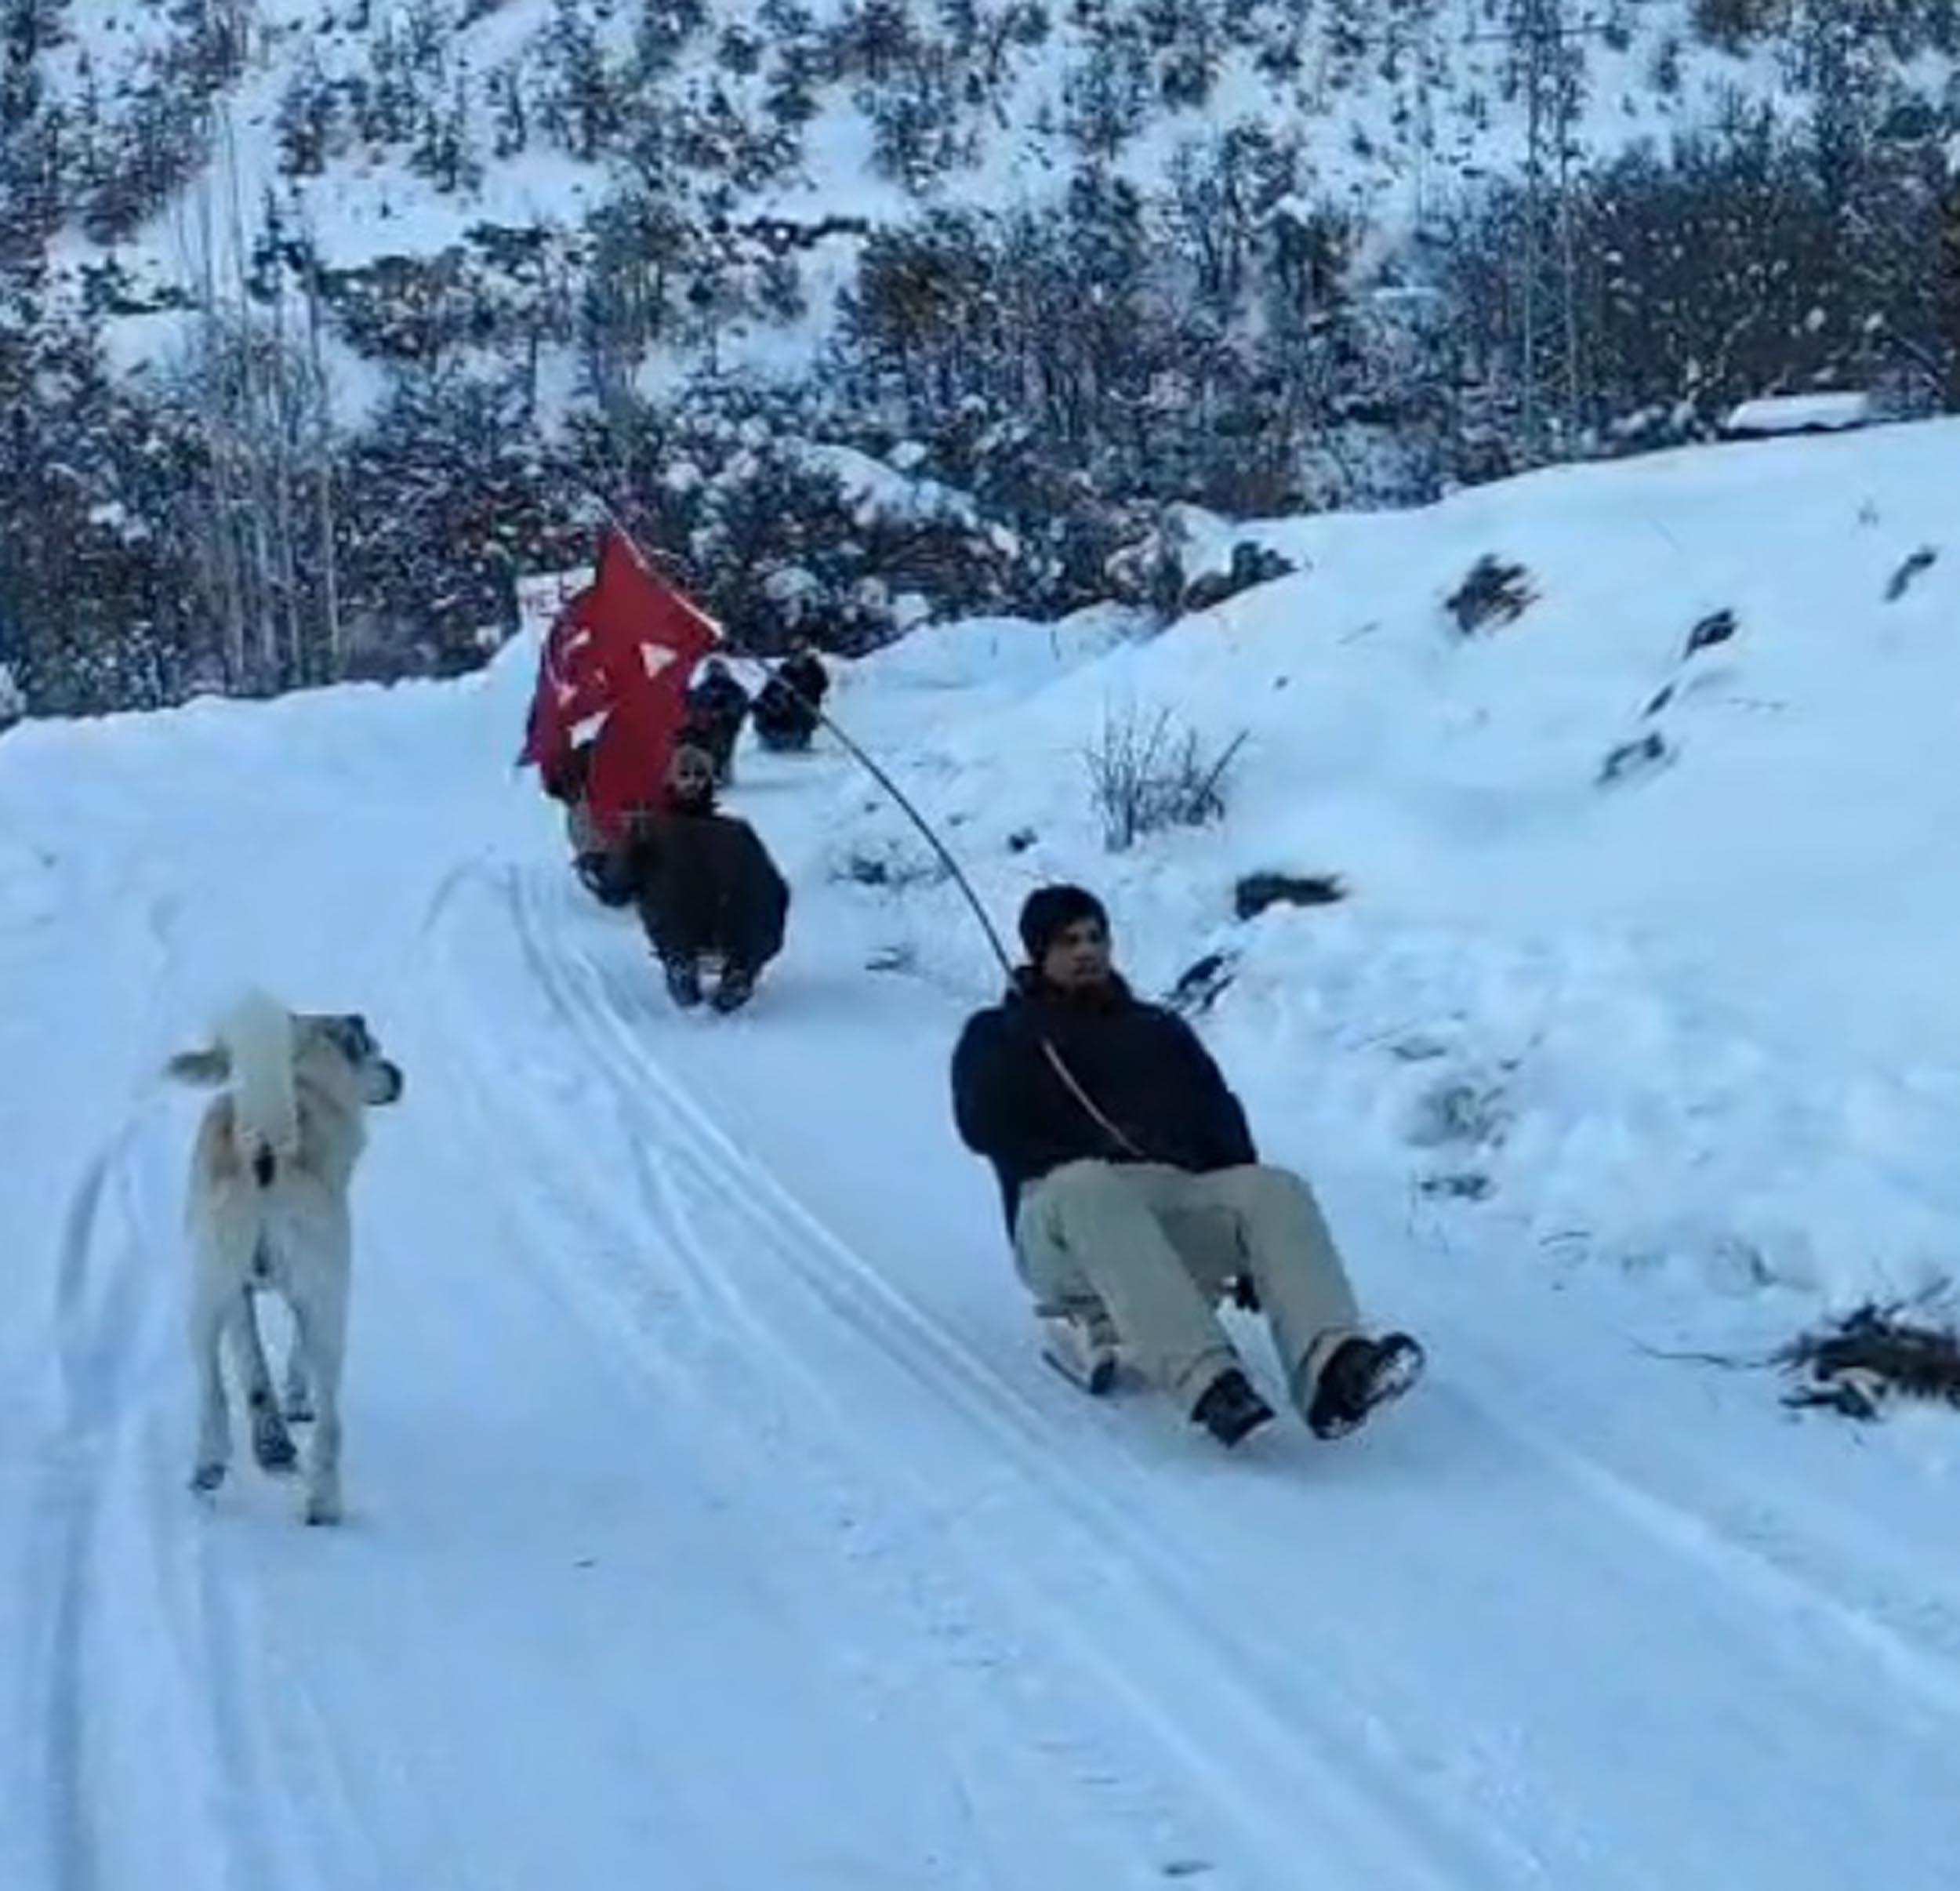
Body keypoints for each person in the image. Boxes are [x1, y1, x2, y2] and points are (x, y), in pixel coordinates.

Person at [950, 884, 1423, 1447]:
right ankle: (1209, 1383)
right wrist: (1011, 1048)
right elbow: (981, 1130)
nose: (1085, 952)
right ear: (1037, 952)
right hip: (1058, 1221)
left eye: (1096, 937)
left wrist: (1251, 1246)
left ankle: (1336, 1368)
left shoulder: (1157, 1031)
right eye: (1067, 941)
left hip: (1167, 1204)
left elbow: (1219, 1124)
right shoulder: (996, 1034)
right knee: (1091, 1185)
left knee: (1272, 1190)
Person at [619, 742, 789, 1013]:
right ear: (671, 780)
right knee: (666, 878)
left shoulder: (735, 830)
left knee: (764, 886)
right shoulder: (652, 828)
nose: (692, 783)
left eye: (700, 775)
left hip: (725, 920)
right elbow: (619, 886)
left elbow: (770, 887)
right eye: (684, 775)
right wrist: (630, 851)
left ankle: (741, 970)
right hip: (680, 922)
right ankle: (680, 964)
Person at [751, 641, 827, 753]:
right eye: (793, 654)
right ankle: (769, 738)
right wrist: (761, 702)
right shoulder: (785, 670)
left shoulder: (814, 670)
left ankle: (796, 741)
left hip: (803, 712)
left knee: (798, 712)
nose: (795, 658)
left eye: (798, 654)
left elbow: (819, 687)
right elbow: (769, 689)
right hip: (782, 712)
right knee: (764, 707)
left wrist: (797, 691)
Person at [684, 657, 751, 786]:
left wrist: (725, 712)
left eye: (718, 669)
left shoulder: (733, 688)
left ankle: (719, 772)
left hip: (726, 725)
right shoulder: (704, 687)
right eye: (712, 670)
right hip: (703, 724)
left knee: (720, 745)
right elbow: (694, 702)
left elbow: (741, 703)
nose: (716, 673)